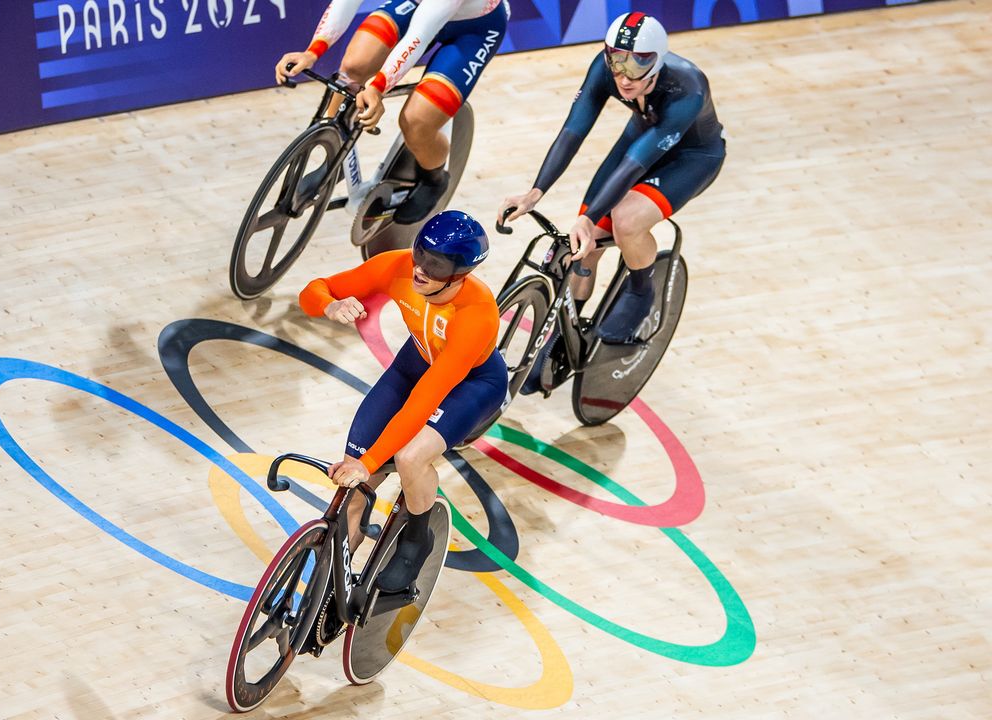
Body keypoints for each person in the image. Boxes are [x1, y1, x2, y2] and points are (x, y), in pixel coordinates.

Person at [499, 12, 725, 389]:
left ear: (658, 61)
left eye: (636, 66)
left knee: (625, 220)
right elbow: (573, 130)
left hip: (690, 157)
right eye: (617, 62)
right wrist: (536, 191)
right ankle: (562, 337)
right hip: (642, 138)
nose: (624, 77)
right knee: (583, 248)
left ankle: (641, 291)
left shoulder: (688, 87)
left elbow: (636, 163)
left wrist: (591, 217)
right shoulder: (606, 69)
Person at [298, 210, 504, 592]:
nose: (420, 269)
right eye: (420, 253)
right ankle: (325, 593)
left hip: (471, 384)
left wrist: (370, 463)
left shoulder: (477, 314)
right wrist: (329, 305)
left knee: (409, 457)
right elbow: (315, 289)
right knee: (352, 488)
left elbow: (425, 400)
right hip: (418, 360)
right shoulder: (398, 267)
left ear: (459, 274)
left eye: (435, 265)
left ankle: (416, 541)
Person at [277, 0, 510, 224]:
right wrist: (313, 51)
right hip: (417, 6)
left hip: (474, 29)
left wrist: (378, 87)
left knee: (417, 121)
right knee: (353, 67)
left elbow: (418, 36)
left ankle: (434, 179)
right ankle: (337, 151)